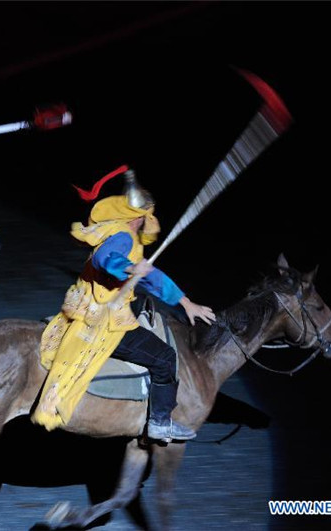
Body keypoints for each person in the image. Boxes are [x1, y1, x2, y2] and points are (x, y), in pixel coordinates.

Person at [31, 169, 215, 442]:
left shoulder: (116, 231)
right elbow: (104, 259)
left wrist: (184, 302)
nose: (148, 222)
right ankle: (160, 422)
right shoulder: (122, 236)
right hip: (105, 320)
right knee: (165, 358)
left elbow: (151, 275)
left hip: (87, 308)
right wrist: (129, 267)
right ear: (138, 218)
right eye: (146, 216)